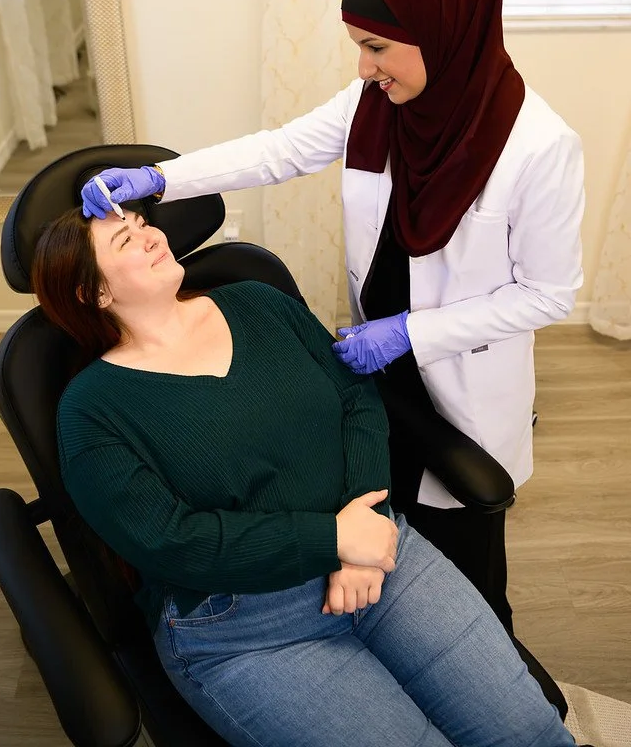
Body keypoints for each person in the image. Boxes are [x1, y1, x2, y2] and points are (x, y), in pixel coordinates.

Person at [80, 0, 585, 632]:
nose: (362, 68)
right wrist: (163, 178)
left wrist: (412, 332)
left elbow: (549, 294)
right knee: (386, 529)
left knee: (468, 563)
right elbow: (278, 151)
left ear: (441, 32)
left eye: (376, 47)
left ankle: (487, 653)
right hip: (372, 366)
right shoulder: (373, 106)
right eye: (358, 46)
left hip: (453, 369)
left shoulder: (538, 147)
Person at [31, 205, 582, 747]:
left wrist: (363, 526)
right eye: (124, 241)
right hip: (248, 627)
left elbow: (357, 400)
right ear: (94, 293)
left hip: (381, 554)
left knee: (530, 732)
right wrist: (333, 540)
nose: (150, 235)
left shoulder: (256, 302)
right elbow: (169, 540)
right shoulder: (91, 409)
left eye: (142, 223)